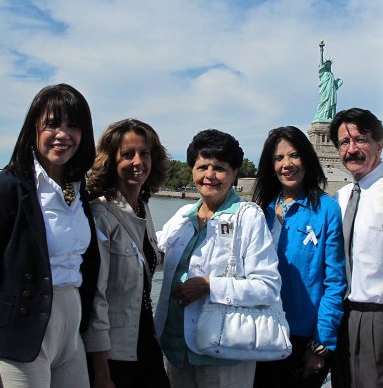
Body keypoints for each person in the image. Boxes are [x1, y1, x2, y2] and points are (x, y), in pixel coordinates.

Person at [155, 129, 282, 388]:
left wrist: (209, 285)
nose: (209, 175)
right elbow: (154, 255)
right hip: (176, 348)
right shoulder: (181, 217)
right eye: (202, 167)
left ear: (234, 173)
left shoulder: (249, 217)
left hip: (224, 353)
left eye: (220, 168)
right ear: (192, 171)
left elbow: (267, 287)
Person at [0, 83, 101, 388]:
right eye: (52, 124)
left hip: (71, 328)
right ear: (33, 128)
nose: (63, 134)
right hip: (21, 331)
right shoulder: (9, 187)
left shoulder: (79, 191)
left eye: (73, 126)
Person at [251, 126, 346, 388]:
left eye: (294, 156)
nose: (286, 164)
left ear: (307, 158)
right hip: (260, 334)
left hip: (302, 338)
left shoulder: (327, 210)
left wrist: (321, 343)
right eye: (278, 158)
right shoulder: (259, 210)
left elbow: (335, 281)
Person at [83, 119, 171, 387]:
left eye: (144, 153)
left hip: (145, 339)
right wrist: (101, 372)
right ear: (111, 160)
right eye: (127, 154)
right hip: (114, 352)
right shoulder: (101, 215)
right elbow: (97, 298)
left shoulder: (142, 208)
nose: (138, 162)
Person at [327, 108, 383, 388]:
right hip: (343, 319)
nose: (352, 149)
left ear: (379, 145)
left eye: (360, 140)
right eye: (344, 143)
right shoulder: (340, 198)